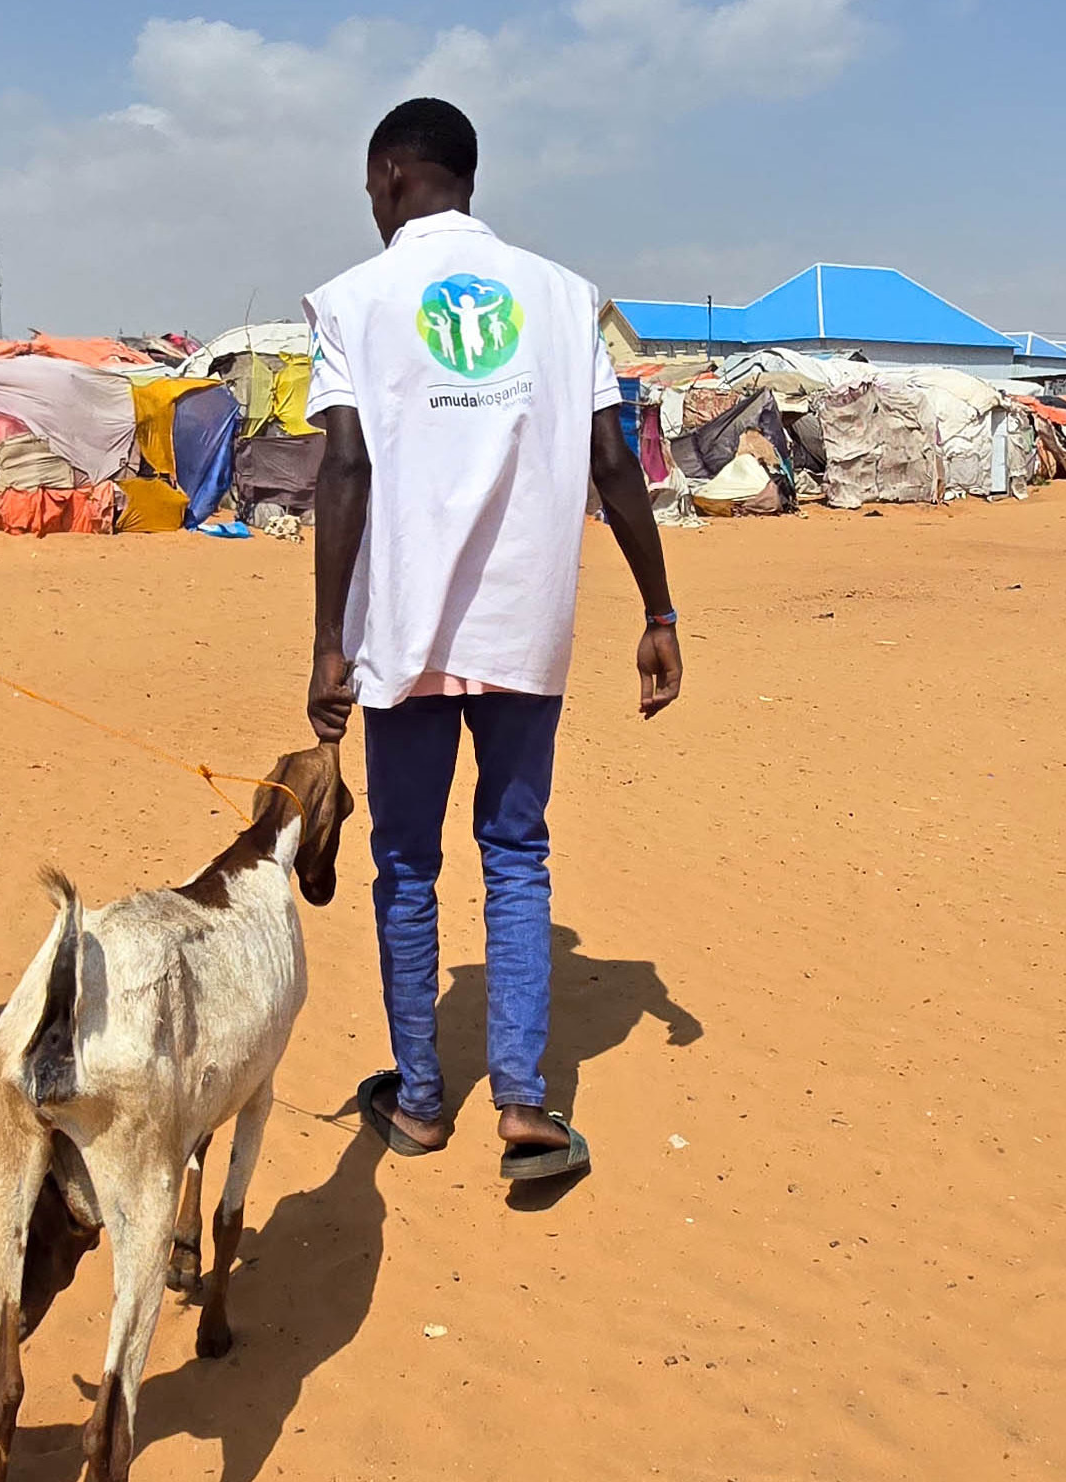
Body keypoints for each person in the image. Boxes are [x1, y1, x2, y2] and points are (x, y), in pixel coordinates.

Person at [298, 97, 681, 1186]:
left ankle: (420, 1102)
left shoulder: (354, 302)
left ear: (387, 175)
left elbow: (349, 471)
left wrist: (330, 639)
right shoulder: (566, 298)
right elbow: (616, 464)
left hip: (404, 631)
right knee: (516, 855)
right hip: (524, 627)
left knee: (406, 862)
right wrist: (658, 613)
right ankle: (523, 1102)